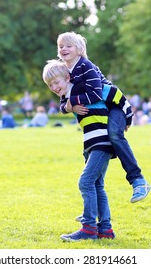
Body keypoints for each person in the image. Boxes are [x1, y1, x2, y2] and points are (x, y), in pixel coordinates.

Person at [56, 31, 151, 203]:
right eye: (61, 46)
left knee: (114, 134)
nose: (64, 49)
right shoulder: (64, 71)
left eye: (68, 45)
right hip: (100, 113)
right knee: (94, 152)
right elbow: (63, 100)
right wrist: (68, 107)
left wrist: (73, 102)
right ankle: (92, 209)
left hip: (115, 105)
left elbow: (96, 94)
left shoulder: (86, 66)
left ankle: (138, 181)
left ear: (79, 49)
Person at [43, 59, 118, 241]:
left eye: (57, 82)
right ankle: (105, 229)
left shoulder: (80, 87)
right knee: (97, 185)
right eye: (50, 84)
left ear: (68, 77)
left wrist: (71, 103)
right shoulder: (66, 95)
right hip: (92, 142)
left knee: (85, 182)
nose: (54, 87)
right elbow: (63, 105)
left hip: (102, 141)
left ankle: (89, 228)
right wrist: (68, 106)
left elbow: (95, 87)